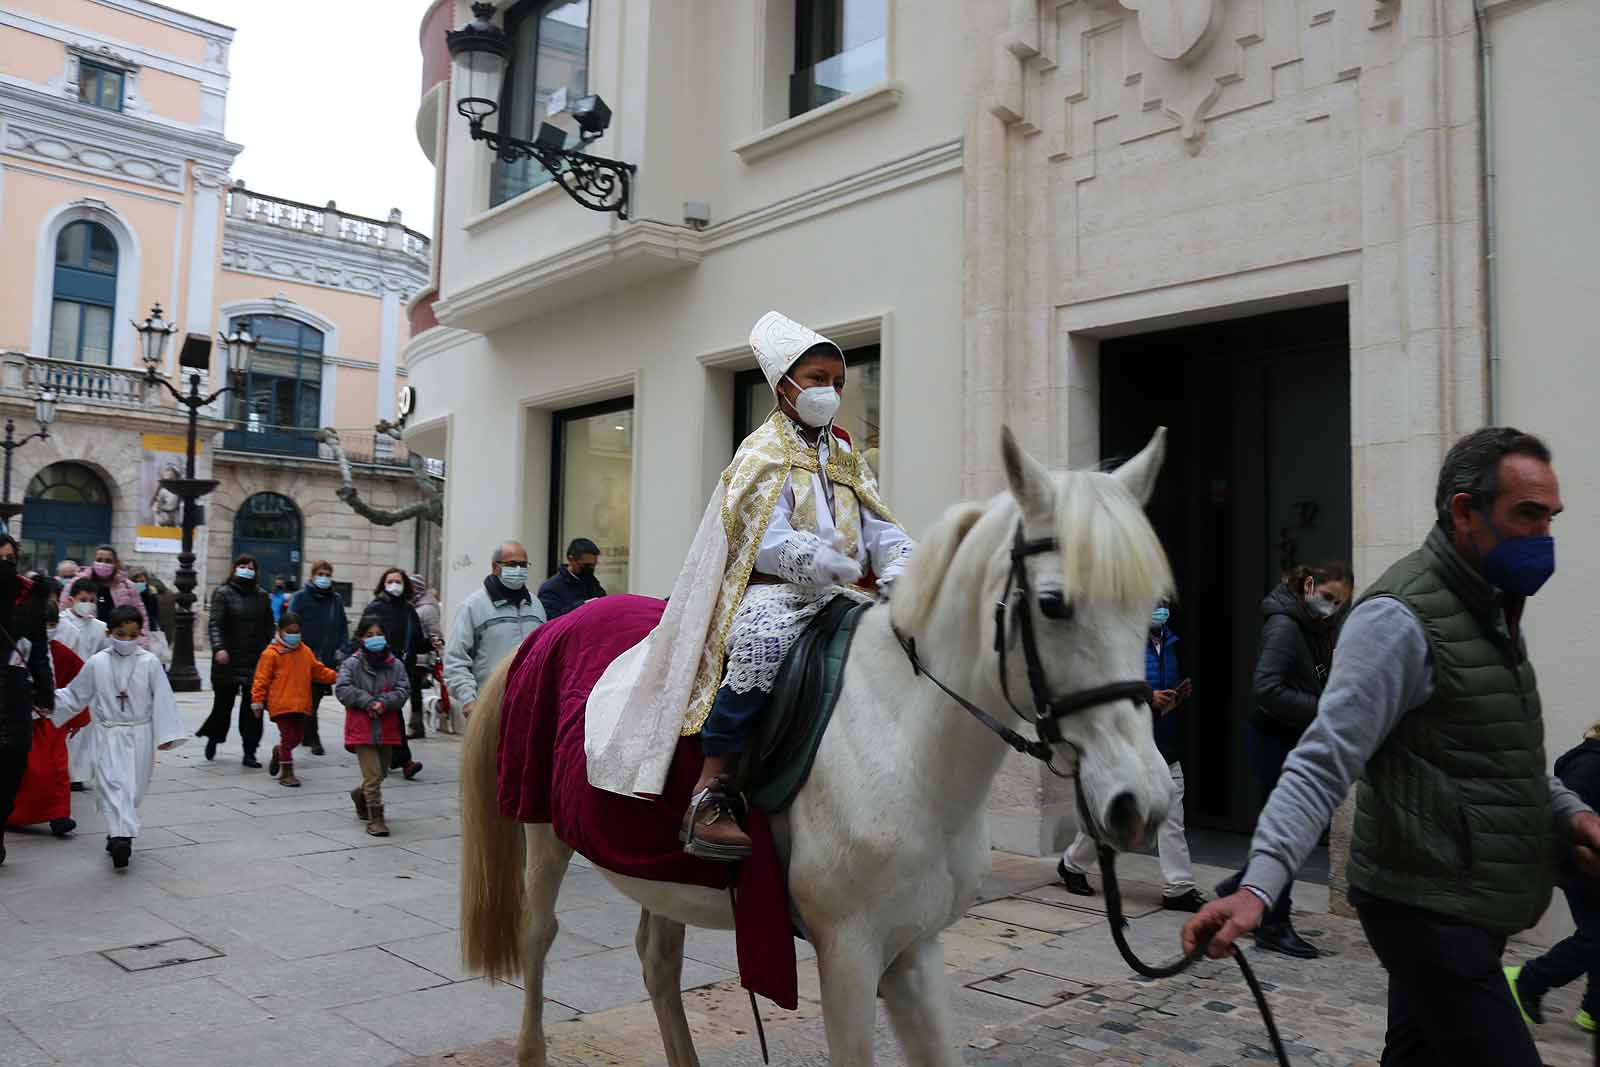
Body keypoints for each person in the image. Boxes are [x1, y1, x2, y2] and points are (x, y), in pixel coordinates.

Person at [1184, 427, 1600, 1067]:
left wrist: (1569, 811)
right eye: (1527, 514)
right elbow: (1323, 760)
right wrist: (1257, 887)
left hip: (1467, 899)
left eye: (1550, 517)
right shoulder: (1399, 619)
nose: (1543, 535)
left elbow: (1491, 753)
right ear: (1466, 512)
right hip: (1425, 904)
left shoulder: (1492, 609)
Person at [586, 311, 915, 860]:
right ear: (784, 384)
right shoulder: (760, 452)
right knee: (761, 646)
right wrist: (818, 560)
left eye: (837, 381)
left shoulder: (846, 452)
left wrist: (904, 568)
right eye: (815, 379)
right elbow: (761, 536)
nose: (829, 390)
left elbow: (881, 525)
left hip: (845, 591)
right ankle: (710, 791)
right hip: (775, 593)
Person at [1214, 560, 1355, 959]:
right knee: (1292, 829)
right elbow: (1267, 688)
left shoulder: (1317, 627)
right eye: (1327, 598)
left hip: (1293, 739)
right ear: (1309, 584)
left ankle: (1242, 886)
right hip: (1271, 739)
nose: (1332, 607)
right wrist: (1323, 707)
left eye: (1340, 603)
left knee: (1292, 828)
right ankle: (1274, 925)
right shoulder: (1285, 625)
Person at [1058, 602, 1204, 911]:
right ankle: (1072, 865)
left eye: (1163, 604)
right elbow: (1106, 689)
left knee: (1171, 808)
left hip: (1163, 738)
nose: (1159, 609)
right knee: (1112, 815)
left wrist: (1173, 697)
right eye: (1153, 603)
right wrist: (1148, 697)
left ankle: (1179, 886)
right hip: (1129, 741)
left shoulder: (1170, 642)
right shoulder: (1120, 643)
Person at [49, 605, 185, 869]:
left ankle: (117, 832)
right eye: (120, 634)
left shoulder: (149, 662)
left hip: (140, 733)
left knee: (133, 789)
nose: (126, 640)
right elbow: (76, 694)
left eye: (132, 635)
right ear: (110, 633)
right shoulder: (97, 662)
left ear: (139, 634)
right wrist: (47, 699)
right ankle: (123, 837)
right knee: (113, 783)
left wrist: (166, 733)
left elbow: (163, 698)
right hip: (109, 732)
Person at [1506, 723, 1600, 1034]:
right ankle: (1526, 982)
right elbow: (1563, 818)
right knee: (1596, 936)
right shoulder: (1591, 763)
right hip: (1582, 867)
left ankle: (1594, 1009)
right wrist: (1580, 856)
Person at [7, 592, 89, 839]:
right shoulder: (16, 650)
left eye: (52, 625)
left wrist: (77, 717)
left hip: (53, 718)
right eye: (43, 624)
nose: (47, 629)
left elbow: (81, 685)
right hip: (21, 718)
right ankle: (16, 815)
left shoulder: (62, 653)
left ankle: (59, 815)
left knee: (57, 767)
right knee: (26, 770)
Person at [444, 541, 545, 723]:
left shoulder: (536, 606)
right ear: (495, 567)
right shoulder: (473, 607)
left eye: (523, 565)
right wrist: (468, 700)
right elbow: (455, 660)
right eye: (512, 564)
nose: (518, 569)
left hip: (528, 707)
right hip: (488, 708)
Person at [0, 536, 55, 867]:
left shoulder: (30, 597)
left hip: (14, 693)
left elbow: (38, 648)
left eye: (10, 558)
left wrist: (45, 691)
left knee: (14, 763)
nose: (5, 564)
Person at [335, 615, 410, 837]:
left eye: (379, 634)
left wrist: (385, 703)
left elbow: (404, 689)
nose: (375, 639)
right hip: (362, 729)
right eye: (369, 635)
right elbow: (342, 689)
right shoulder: (352, 664)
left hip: (387, 727)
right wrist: (367, 701)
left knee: (381, 772)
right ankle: (376, 817)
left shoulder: (395, 664)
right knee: (374, 773)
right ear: (360, 638)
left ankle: (361, 795)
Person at [197, 554, 275, 767]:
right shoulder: (223, 593)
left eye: (250, 566)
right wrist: (219, 648)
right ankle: (214, 737)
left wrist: (272, 649)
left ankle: (249, 751)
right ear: (234, 568)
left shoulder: (262, 596)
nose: (246, 569)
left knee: (253, 708)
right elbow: (215, 624)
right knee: (223, 706)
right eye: (242, 565)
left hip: (255, 659)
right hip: (227, 659)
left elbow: (269, 626)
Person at [250, 611, 337, 788]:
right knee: (288, 735)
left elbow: (318, 671)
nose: (293, 635)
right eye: (289, 631)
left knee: (297, 737)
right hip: (281, 704)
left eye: (297, 631)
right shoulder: (271, 654)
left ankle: (280, 752)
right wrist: (257, 701)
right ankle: (287, 773)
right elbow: (261, 679)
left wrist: (338, 677)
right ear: (280, 631)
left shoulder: (305, 652)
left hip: (301, 703)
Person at [363, 568, 426, 778]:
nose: (394, 585)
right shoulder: (375, 608)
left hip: (402, 669)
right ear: (383, 584)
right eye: (390, 581)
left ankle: (388, 755)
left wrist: (432, 643)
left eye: (398, 581)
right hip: (379, 667)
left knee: (388, 713)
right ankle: (405, 760)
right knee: (394, 713)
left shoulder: (409, 611)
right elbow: (363, 637)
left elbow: (417, 642)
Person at [288, 560, 349, 756]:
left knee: (315, 698)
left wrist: (343, 649)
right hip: (303, 656)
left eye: (327, 574)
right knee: (310, 698)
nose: (324, 577)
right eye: (320, 573)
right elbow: (290, 623)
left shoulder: (335, 600)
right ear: (312, 576)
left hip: (326, 658)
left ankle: (305, 733)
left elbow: (342, 627)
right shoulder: (300, 597)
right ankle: (313, 737)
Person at [60, 577, 110, 791]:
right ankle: (61, 771)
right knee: (63, 729)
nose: (88, 604)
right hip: (65, 681)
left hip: (89, 683)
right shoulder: (61, 622)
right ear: (71, 600)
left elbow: (104, 653)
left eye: (91, 600)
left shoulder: (99, 627)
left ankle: (78, 774)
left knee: (85, 730)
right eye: (83, 599)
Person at [60, 546, 149, 638]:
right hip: (84, 638)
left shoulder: (127, 586)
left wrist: (141, 642)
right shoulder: (76, 583)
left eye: (108, 561)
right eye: (99, 560)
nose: (103, 564)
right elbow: (63, 610)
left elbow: (141, 616)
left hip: (118, 640)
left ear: (115, 563)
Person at [406, 575, 444, 739]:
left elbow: (435, 633)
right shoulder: (415, 605)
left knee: (414, 692)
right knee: (412, 692)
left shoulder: (427, 608)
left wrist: (438, 654)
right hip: (414, 656)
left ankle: (416, 726)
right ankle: (415, 725)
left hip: (421, 658)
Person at [538, 538, 607, 620]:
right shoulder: (551, 588)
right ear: (571, 560)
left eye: (594, 565)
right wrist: (582, 606)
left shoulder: (594, 585)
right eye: (586, 565)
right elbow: (551, 620)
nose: (591, 569)